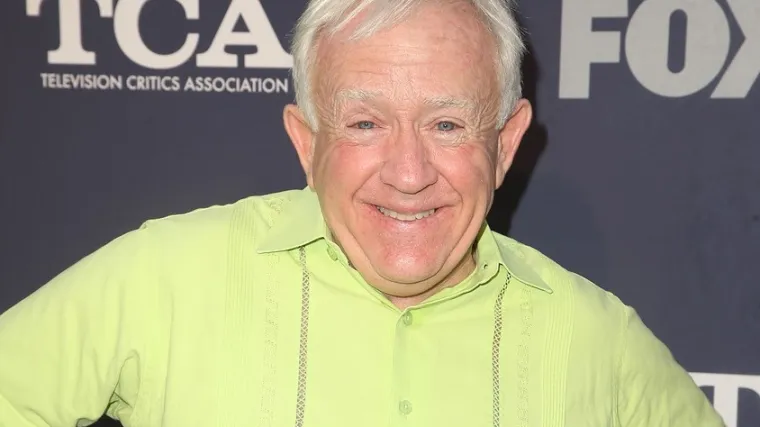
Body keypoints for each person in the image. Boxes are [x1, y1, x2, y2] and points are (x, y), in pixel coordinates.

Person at [0, 0, 726, 426]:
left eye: (447, 124)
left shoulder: (598, 340)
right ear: (306, 142)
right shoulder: (162, 277)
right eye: (365, 123)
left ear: (504, 145)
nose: (408, 174)